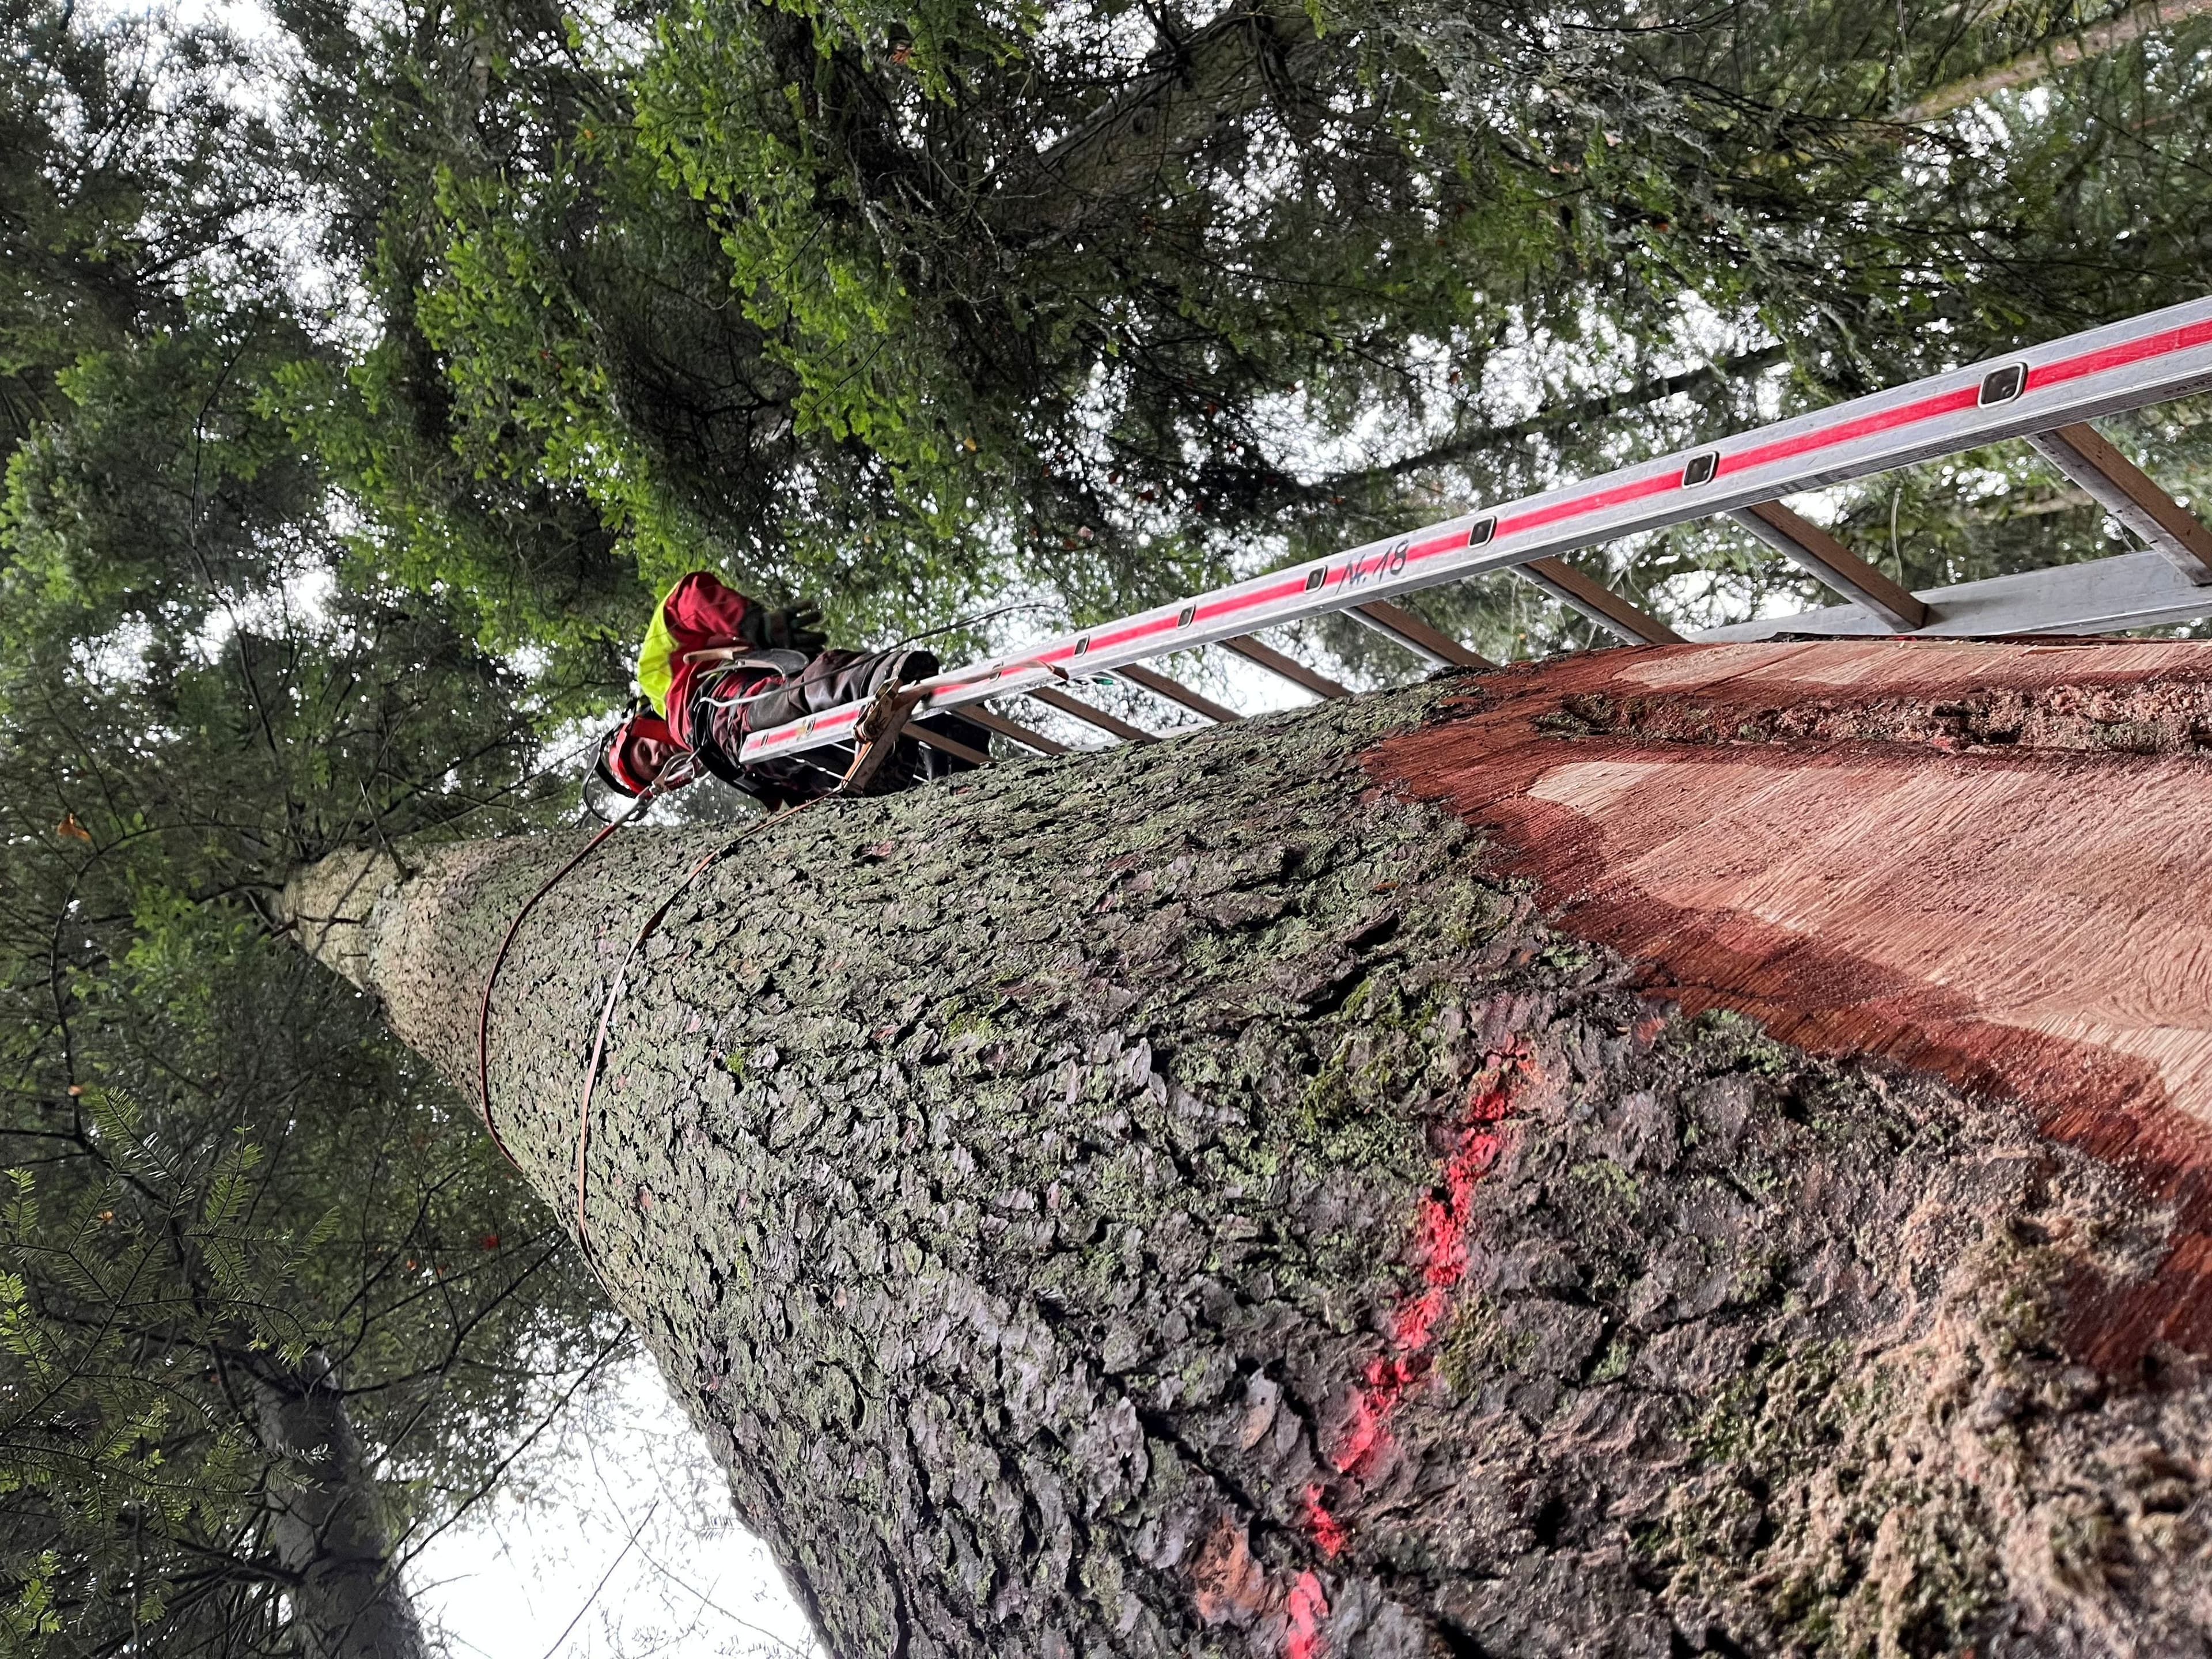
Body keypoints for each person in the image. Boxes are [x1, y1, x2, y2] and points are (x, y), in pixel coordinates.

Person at [593, 571, 987, 810]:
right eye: (655, 768)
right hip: (773, 756)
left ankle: (883, 681)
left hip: (734, 707)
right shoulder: (729, 773)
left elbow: (684, 602)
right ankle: (944, 754)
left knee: (797, 700)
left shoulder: (658, 681)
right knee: (804, 752)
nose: (660, 756)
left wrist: (751, 624)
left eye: (646, 751)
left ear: (640, 727)